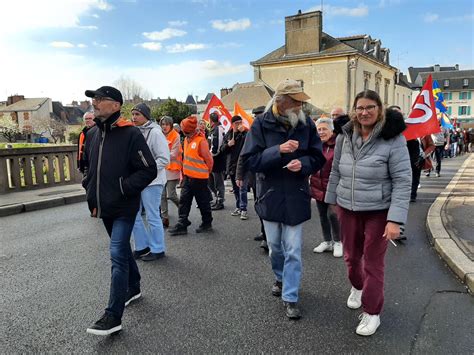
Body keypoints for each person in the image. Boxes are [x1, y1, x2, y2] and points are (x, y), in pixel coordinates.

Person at [325, 90, 411, 336]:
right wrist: (331, 199)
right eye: (360, 107)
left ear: (379, 109)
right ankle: (357, 287)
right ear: (354, 109)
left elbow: (403, 180)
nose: (364, 112)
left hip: (378, 211)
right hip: (348, 208)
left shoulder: (393, 139)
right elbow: (335, 172)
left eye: (370, 107)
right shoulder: (344, 136)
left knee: (373, 263)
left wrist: (395, 220)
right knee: (352, 259)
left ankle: (372, 313)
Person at [240, 79, 326, 320]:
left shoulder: (306, 123)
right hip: (270, 194)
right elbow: (250, 162)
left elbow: (317, 157)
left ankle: (291, 296)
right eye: (296, 101)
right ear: (280, 101)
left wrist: (304, 164)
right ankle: (279, 277)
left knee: (294, 250)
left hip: (297, 194)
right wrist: (278, 151)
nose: (301, 106)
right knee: (275, 249)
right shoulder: (260, 124)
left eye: (301, 101)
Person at [82, 86, 157, 336]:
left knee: (116, 254)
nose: (94, 102)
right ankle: (133, 287)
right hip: (103, 206)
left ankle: (113, 315)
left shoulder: (131, 134)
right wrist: (89, 187)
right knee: (123, 249)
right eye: (93, 99)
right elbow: (88, 168)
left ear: (115, 105)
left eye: (100, 99)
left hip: (124, 206)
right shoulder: (92, 134)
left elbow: (148, 170)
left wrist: (124, 188)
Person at [130, 103, 170, 261]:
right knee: (133, 213)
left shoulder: (155, 132)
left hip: (153, 181)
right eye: (132, 114)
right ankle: (141, 246)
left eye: (137, 114)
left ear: (145, 116)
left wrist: (146, 171)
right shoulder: (135, 132)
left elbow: (164, 158)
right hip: (138, 181)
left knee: (153, 216)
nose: (134, 117)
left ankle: (158, 249)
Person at [168, 116, 214, 235]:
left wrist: (205, 173)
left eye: (183, 129)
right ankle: (182, 223)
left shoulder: (200, 141)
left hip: (199, 179)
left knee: (203, 202)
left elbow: (209, 160)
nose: (182, 131)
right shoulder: (187, 140)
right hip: (188, 178)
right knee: (184, 201)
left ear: (187, 130)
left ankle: (207, 223)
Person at [310, 117, 342, 257]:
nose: (321, 132)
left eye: (324, 129)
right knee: (322, 215)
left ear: (332, 130)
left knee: (333, 215)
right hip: (317, 185)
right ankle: (327, 241)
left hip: (333, 187)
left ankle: (338, 242)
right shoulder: (315, 145)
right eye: (319, 130)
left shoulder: (339, 144)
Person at [220, 115, 249, 220]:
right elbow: (222, 149)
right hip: (231, 165)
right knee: (236, 189)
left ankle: (244, 208)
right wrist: (228, 145)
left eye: (241, 122)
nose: (239, 125)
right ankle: (238, 207)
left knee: (242, 188)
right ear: (232, 124)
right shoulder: (228, 134)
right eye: (237, 123)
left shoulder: (245, 133)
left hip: (242, 166)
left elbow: (250, 143)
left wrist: (244, 132)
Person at [160, 116, 182, 228]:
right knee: (162, 195)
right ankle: (165, 218)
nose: (164, 126)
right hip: (161, 170)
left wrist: (160, 156)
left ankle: (182, 209)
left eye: (166, 124)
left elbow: (173, 154)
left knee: (171, 194)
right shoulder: (159, 135)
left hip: (172, 170)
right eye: (162, 124)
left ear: (171, 124)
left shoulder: (176, 136)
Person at [208, 112, 227, 210]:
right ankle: (217, 198)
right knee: (211, 181)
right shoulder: (214, 129)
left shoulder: (218, 129)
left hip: (217, 160)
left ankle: (220, 201)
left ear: (210, 120)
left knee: (218, 182)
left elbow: (216, 146)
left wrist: (210, 155)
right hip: (213, 159)